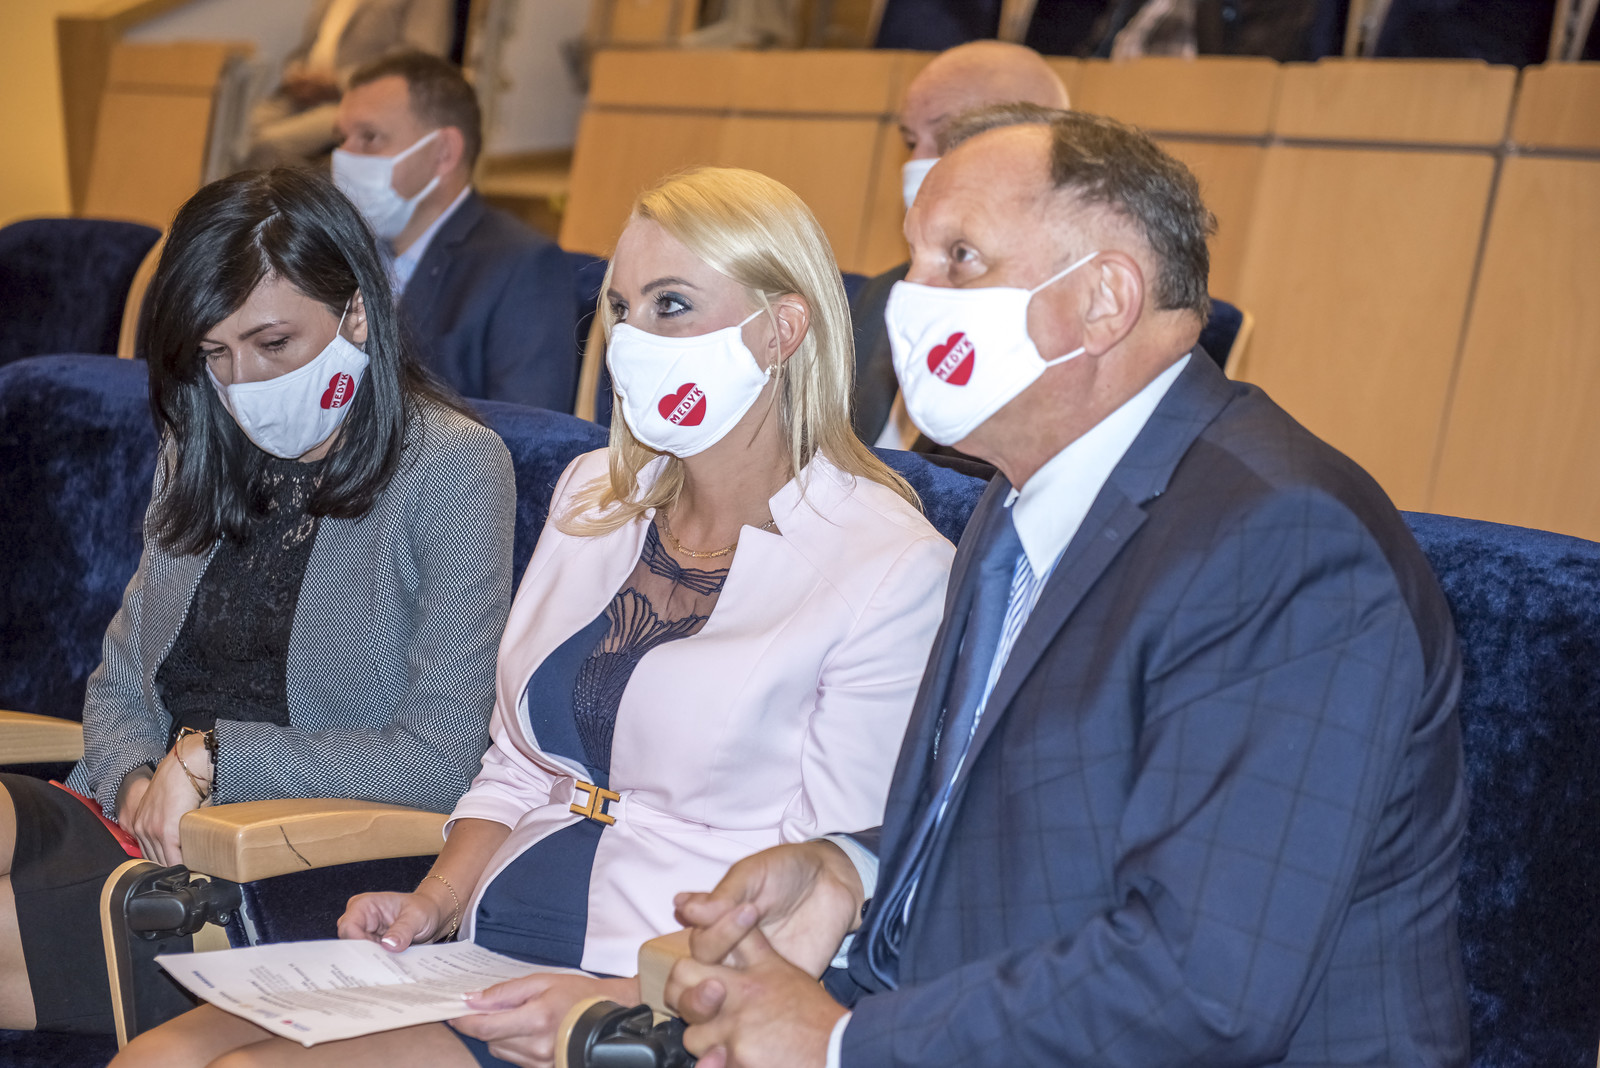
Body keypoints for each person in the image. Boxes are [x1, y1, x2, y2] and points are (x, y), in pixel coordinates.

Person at [667, 106, 1470, 1067]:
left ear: (1103, 299)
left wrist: (843, 1045)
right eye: (915, 258)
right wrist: (854, 869)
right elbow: (1057, 807)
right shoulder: (1022, 494)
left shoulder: (1283, 544)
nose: (911, 300)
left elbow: (1203, 983)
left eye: (960, 259)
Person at [113, 166, 956, 1068]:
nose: (633, 339)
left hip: (653, 996)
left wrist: (616, 998)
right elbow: (516, 767)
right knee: (155, 1061)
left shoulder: (890, 567)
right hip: (487, 950)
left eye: (671, 306)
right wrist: (432, 905)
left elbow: (827, 888)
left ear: (783, 329)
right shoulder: (598, 496)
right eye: (621, 308)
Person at [0, 167, 515, 1036]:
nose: (240, 384)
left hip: (275, 858)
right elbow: (118, 684)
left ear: (357, 314)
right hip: (131, 823)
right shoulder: (198, 441)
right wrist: (136, 781)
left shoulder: (454, 467)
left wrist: (211, 759)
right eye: (215, 353)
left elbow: (442, 761)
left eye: (272, 343)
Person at [851, 41, 1070, 453]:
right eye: (910, 142)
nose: (917, 162)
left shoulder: (1058, 330)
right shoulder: (882, 293)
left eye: (948, 137)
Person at [333, 52, 580, 411]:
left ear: (443, 153)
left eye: (369, 137)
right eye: (342, 138)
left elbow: (531, 431)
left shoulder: (523, 267)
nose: (343, 155)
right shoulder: (340, 251)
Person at [242, 0, 453, 169]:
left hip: (360, 101)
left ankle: (297, 207)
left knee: (269, 145)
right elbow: (305, 48)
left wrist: (338, 82)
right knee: (233, 132)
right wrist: (296, 73)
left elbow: (420, 62)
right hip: (302, 96)